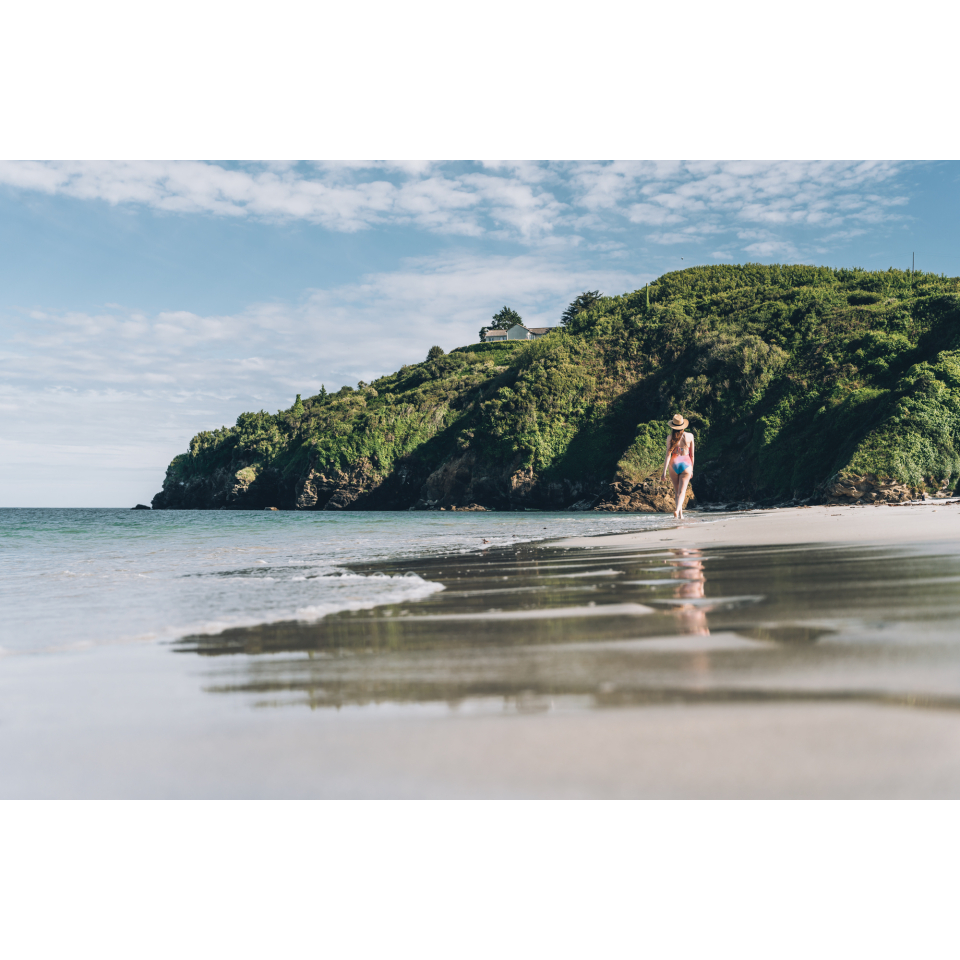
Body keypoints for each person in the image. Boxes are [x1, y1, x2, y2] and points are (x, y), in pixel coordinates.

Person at [661, 414, 695, 519]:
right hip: (686, 464)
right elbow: (692, 455)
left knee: (677, 492)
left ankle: (680, 515)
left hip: (674, 464)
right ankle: (677, 510)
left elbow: (668, 455)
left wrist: (664, 472)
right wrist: (692, 470)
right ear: (683, 426)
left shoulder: (670, 438)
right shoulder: (690, 436)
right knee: (682, 491)